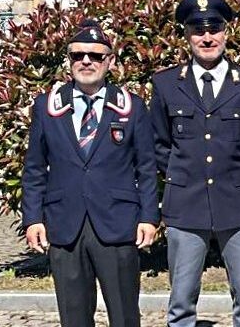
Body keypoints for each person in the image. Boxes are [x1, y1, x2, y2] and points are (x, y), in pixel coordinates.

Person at [21, 20, 158, 327]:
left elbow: (147, 168)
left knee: (124, 316)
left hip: (118, 223)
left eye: (96, 56)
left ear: (110, 61)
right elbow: (34, 169)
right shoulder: (46, 106)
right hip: (65, 224)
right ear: (68, 61)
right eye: (78, 55)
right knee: (73, 318)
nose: (86, 61)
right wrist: (32, 218)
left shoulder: (132, 107)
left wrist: (149, 217)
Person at [149, 0, 240, 327]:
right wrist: (182, 174)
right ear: (187, 36)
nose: (207, 37)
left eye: (214, 29)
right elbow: (158, 144)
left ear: (226, 33)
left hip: (238, 202)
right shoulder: (167, 84)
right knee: (182, 302)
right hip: (186, 204)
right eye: (198, 31)